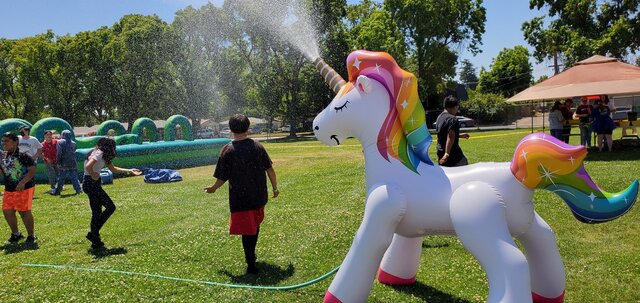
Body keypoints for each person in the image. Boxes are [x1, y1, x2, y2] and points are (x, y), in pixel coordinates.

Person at [204, 114, 279, 275]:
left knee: (248, 231)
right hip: (259, 196)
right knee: (254, 227)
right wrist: (275, 188)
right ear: (248, 128)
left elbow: (222, 177)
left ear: (230, 129)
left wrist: (213, 188)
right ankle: (252, 257)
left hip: (241, 199)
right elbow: (270, 170)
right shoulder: (258, 146)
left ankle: (251, 264)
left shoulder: (227, 150)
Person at [83, 137, 142, 248]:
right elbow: (88, 165)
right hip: (91, 183)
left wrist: (130, 171)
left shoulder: (101, 154)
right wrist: (93, 174)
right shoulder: (99, 152)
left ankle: (95, 240)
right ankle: (93, 233)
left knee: (96, 213)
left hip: (91, 184)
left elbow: (113, 169)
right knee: (110, 207)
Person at [1, 132, 37, 244]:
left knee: (24, 212)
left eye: (6, 141)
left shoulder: (23, 155)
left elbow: (32, 170)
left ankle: (31, 235)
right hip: (9, 189)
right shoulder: (3, 156)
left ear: (15, 142)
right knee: (7, 211)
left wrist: (22, 182)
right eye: (3, 141)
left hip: (25, 188)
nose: (3, 143)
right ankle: (16, 234)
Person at [435, 96, 470, 167]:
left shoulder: (439, 117)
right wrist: (447, 154)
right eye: (457, 108)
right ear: (455, 107)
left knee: (447, 174)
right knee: (463, 168)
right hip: (453, 154)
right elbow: (450, 137)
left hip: (440, 151)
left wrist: (459, 135)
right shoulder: (452, 119)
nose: (457, 110)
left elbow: (442, 134)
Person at [55, 130, 82, 195]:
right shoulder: (73, 143)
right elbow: (74, 150)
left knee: (61, 178)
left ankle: (58, 191)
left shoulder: (59, 142)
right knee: (74, 178)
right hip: (72, 162)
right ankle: (78, 190)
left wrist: (58, 162)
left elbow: (59, 153)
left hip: (63, 162)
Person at [41, 130, 58, 194]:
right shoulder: (42, 144)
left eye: (50, 135)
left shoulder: (55, 142)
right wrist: (46, 158)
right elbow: (41, 153)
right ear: (44, 136)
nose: (49, 136)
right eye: (47, 135)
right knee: (51, 174)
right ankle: (53, 188)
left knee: (57, 173)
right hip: (48, 161)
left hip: (56, 160)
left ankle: (58, 185)